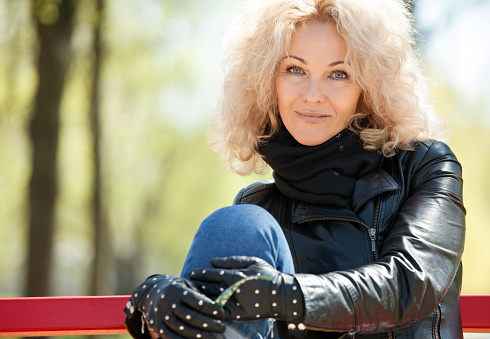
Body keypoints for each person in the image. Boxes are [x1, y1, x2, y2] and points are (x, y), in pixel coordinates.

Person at [124, 0, 466, 338]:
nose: (313, 95)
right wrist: (154, 305)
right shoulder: (259, 208)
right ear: (267, 80)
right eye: (295, 69)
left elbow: (411, 283)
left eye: (339, 74)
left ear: (368, 87)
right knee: (236, 225)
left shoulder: (425, 166)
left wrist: (284, 296)